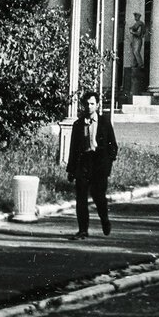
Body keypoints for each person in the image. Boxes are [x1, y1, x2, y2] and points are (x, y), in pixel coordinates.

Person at [65, 91, 118, 240]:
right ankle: (83, 229)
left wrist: (107, 165)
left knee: (98, 196)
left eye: (92, 104)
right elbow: (73, 149)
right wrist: (71, 170)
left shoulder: (104, 123)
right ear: (83, 105)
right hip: (83, 163)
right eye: (87, 104)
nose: (89, 107)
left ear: (97, 105)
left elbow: (113, 146)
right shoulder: (78, 124)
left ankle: (105, 220)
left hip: (99, 164)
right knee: (81, 198)